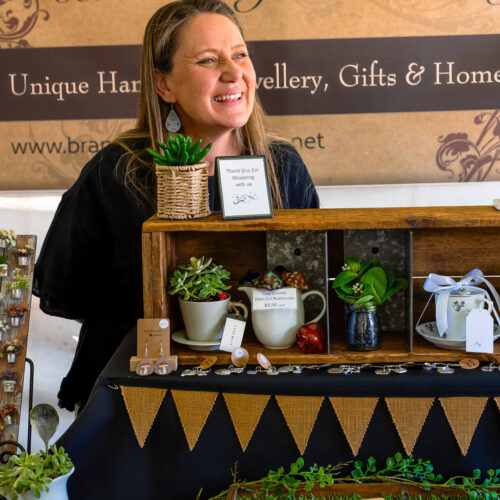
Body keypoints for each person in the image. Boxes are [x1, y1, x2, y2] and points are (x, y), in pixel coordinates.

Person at [33, 0, 319, 412]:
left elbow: (312, 280)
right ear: (164, 85)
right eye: (209, 60)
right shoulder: (118, 171)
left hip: (262, 396)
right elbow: (67, 289)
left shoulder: (284, 166)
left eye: (240, 54)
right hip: (138, 403)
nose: (234, 72)